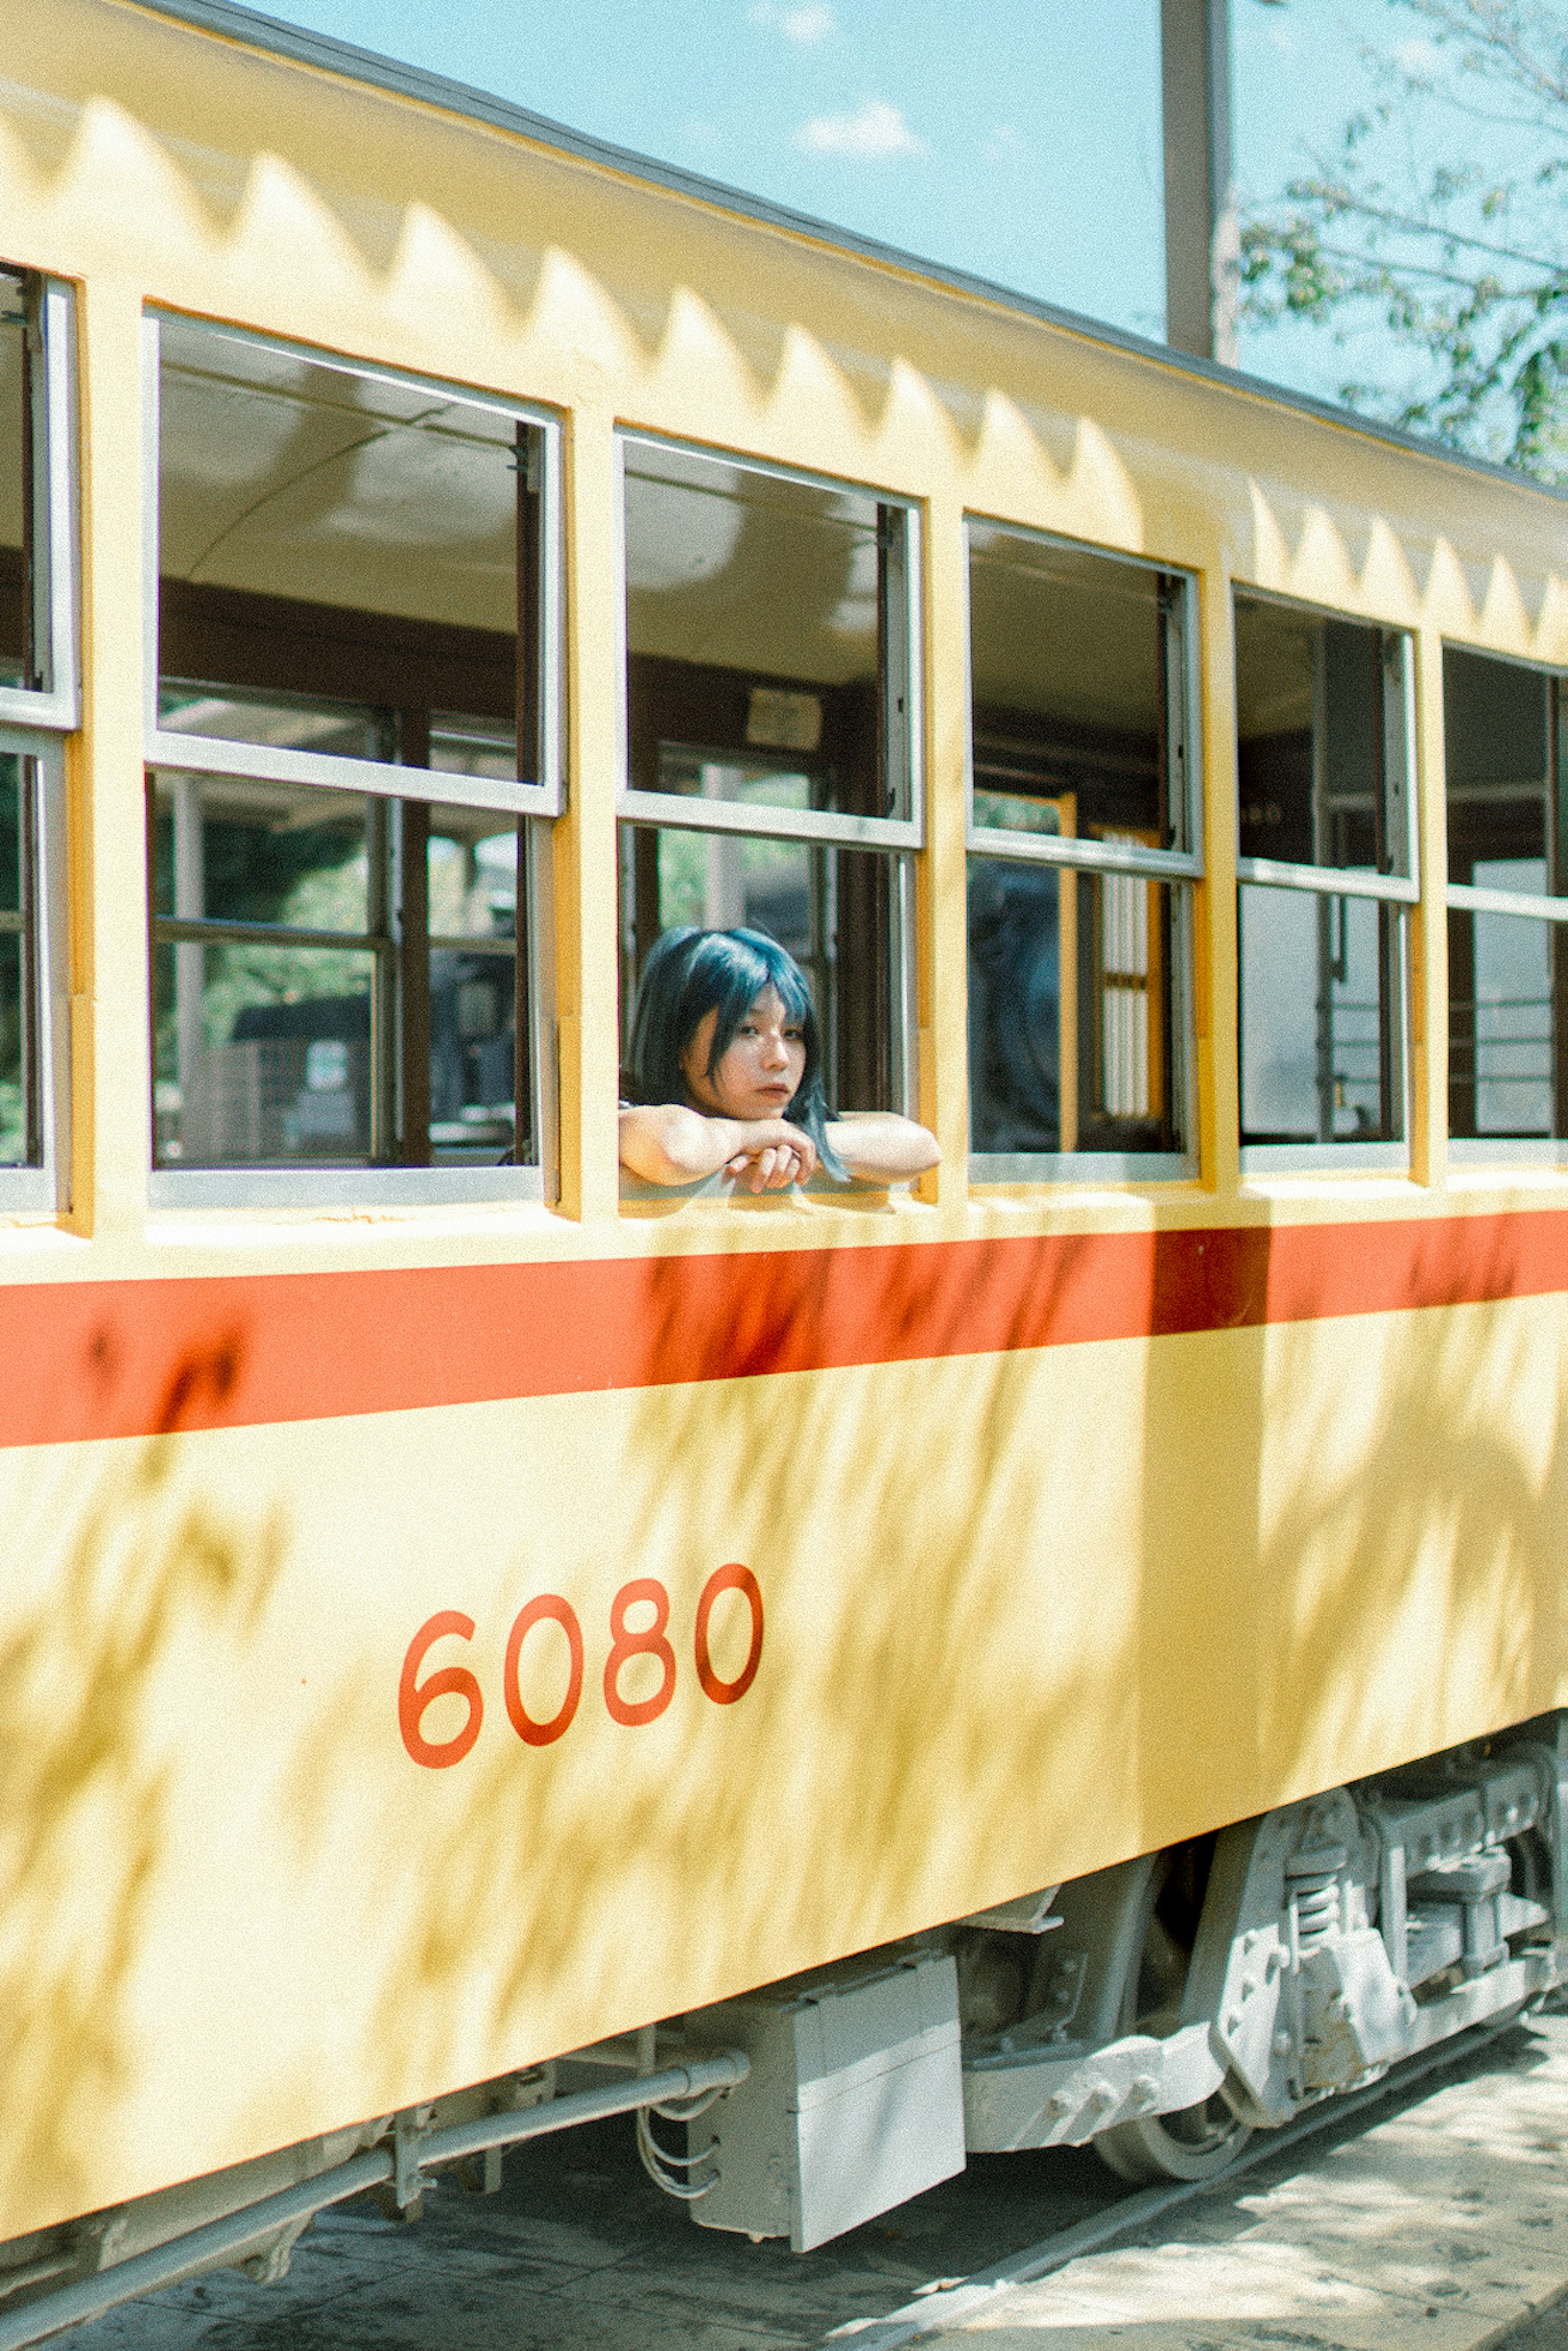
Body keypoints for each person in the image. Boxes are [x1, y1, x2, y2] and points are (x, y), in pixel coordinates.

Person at [618, 927, 940, 1193]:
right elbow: (672, 1149)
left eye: (793, 1033)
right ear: (679, 1043)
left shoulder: (786, 1128)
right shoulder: (621, 1114)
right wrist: (749, 1137)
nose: (780, 1059)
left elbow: (923, 1147)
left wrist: (800, 1142)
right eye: (747, 1031)